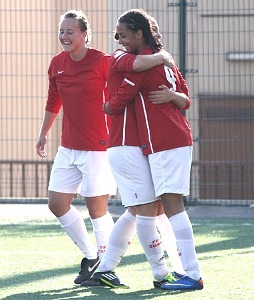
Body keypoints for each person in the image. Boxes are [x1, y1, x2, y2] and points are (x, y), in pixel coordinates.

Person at [81, 12, 186, 289]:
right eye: (154, 33)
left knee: (139, 210)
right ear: (143, 35)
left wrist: (173, 93)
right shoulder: (120, 58)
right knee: (149, 209)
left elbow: (183, 97)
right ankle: (162, 273)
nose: (119, 39)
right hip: (125, 146)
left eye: (123, 34)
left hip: (137, 148)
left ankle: (105, 268)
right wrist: (163, 58)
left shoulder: (149, 64)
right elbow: (117, 98)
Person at [104, 9, 204, 291]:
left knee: (171, 207)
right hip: (176, 139)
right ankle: (181, 272)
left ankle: (191, 275)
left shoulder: (143, 64)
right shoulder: (165, 60)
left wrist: (107, 106)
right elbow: (186, 99)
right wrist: (173, 92)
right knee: (159, 207)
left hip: (164, 142)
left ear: (139, 34)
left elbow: (120, 97)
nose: (118, 39)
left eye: (124, 34)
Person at [35, 10, 116, 285]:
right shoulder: (57, 63)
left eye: (70, 31)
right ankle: (91, 256)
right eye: (62, 31)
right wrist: (43, 134)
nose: (65, 36)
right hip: (68, 148)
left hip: (98, 148)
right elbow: (53, 101)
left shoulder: (103, 61)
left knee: (97, 210)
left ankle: (107, 267)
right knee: (57, 204)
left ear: (84, 34)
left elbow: (121, 93)